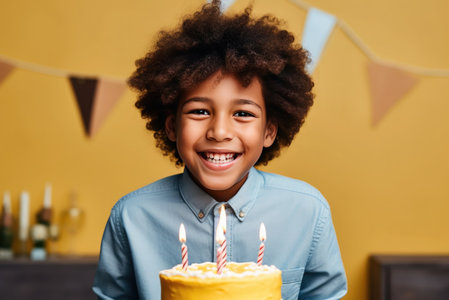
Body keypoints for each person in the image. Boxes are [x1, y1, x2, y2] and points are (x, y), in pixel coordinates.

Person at [93, 1, 347, 299]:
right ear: (172, 126)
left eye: (243, 114)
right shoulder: (131, 218)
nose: (219, 132)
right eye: (199, 111)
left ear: (269, 131)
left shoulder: (308, 212)